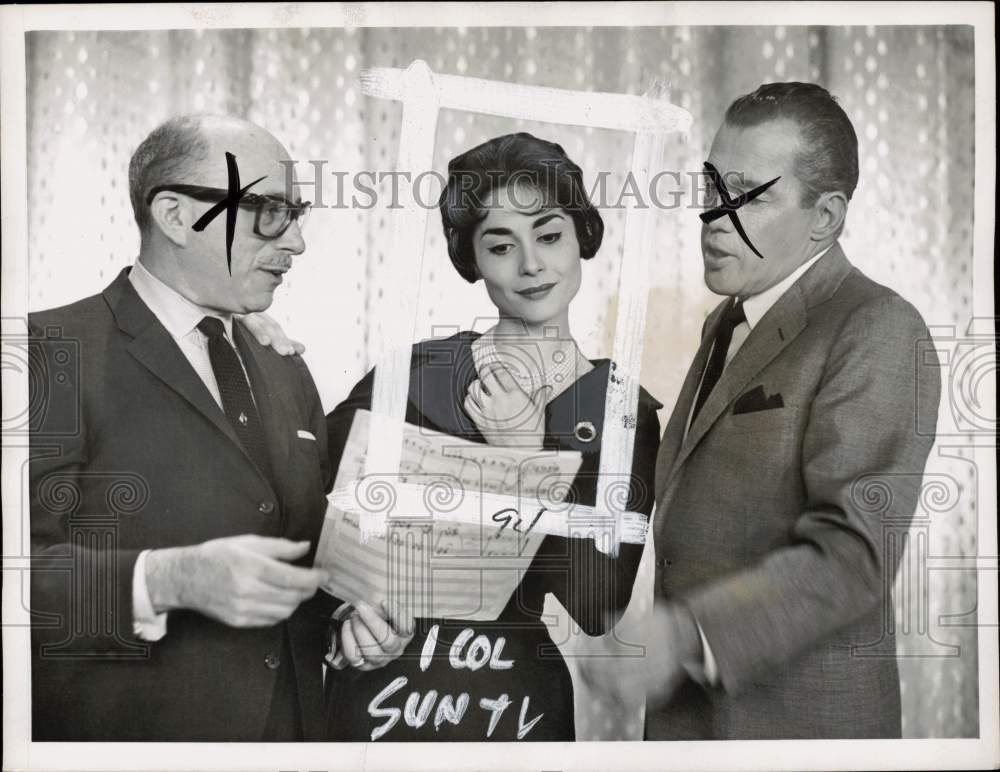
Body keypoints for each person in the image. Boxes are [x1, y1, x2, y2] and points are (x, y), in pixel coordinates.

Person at [26, 114, 412, 741]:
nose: (296, 244)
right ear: (175, 215)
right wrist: (168, 579)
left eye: (298, 214)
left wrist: (352, 623)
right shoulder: (44, 352)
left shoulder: (287, 370)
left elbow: (298, 554)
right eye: (267, 211)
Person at [580, 82, 941, 739]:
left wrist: (687, 636)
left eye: (751, 195)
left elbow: (854, 551)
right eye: (713, 187)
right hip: (696, 725)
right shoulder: (726, 321)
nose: (716, 217)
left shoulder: (879, 327)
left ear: (825, 218)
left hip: (794, 729)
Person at [319, 133, 663, 741]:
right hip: (384, 692)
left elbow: (594, 600)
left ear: (581, 236)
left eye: (549, 236)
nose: (531, 265)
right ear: (471, 259)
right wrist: (346, 625)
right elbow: (307, 522)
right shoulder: (415, 375)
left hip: (516, 706)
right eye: (501, 246)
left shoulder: (621, 411)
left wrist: (526, 460)